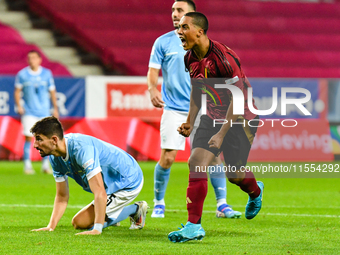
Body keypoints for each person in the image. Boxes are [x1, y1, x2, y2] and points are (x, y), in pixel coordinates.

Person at [168, 12, 264, 243]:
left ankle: (255, 192)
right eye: (178, 27)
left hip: (240, 118)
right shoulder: (189, 58)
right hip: (212, 115)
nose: (179, 31)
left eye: (184, 27)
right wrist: (191, 120)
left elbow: (237, 99)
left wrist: (222, 134)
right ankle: (194, 226)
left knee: (235, 175)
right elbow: (196, 90)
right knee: (196, 162)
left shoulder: (224, 58)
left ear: (200, 31)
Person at [147, 0, 241, 219]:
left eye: (179, 10)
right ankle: (159, 202)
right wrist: (152, 88)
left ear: (192, 14)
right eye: (172, 10)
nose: (174, 14)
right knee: (168, 157)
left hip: (204, 108)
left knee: (214, 155)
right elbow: (152, 70)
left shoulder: (204, 45)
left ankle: (222, 205)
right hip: (174, 109)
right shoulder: (162, 42)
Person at [30, 116, 148, 235]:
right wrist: (51, 226)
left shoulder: (82, 150)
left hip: (127, 180)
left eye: (39, 139)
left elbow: (100, 192)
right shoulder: (55, 158)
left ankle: (136, 209)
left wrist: (97, 229)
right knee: (78, 222)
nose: (35, 145)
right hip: (111, 184)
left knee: (85, 224)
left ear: (54, 140)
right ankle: (111, 213)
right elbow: (62, 197)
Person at [14, 50, 59, 175]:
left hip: (44, 111)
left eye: (34, 58)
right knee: (29, 138)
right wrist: (19, 105)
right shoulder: (22, 74)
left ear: (39, 59)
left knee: (46, 139)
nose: (31, 60)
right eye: (29, 58)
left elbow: (52, 91)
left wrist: (55, 108)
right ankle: (27, 165)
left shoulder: (47, 74)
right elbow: (17, 91)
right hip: (29, 111)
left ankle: (45, 165)